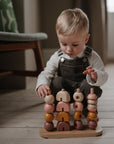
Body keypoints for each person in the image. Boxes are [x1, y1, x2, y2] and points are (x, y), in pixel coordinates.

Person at [36, 8, 108, 115]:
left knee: (90, 86)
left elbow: (104, 76)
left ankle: (88, 109)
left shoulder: (91, 55)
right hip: (64, 92)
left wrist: (96, 76)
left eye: (75, 45)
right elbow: (46, 73)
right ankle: (60, 107)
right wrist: (41, 84)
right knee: (56, 82)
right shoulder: (58, 56)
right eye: (64, 44)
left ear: (86, 39)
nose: (69, 49)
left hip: (83, 92)